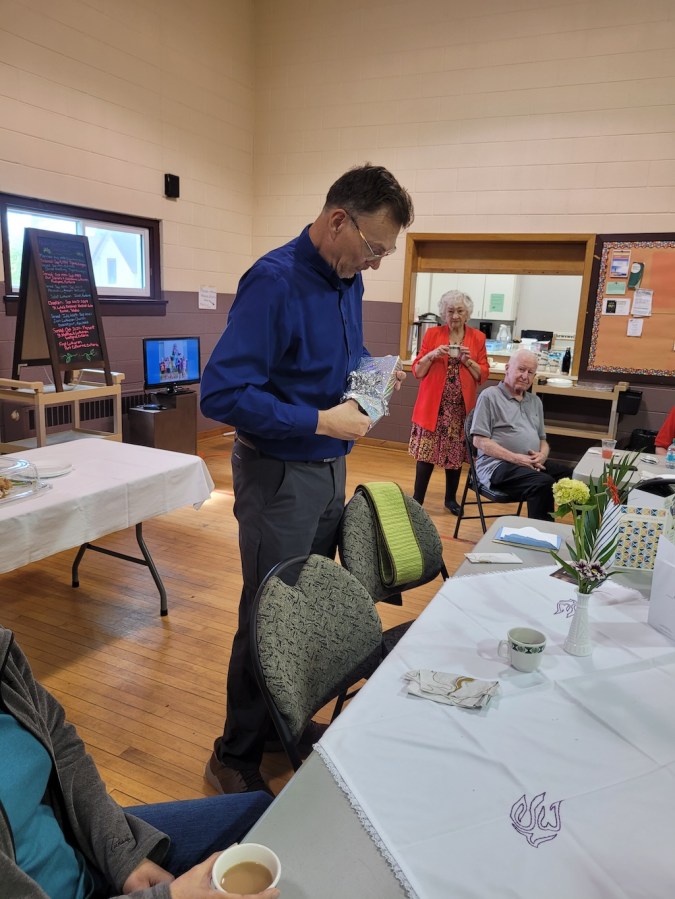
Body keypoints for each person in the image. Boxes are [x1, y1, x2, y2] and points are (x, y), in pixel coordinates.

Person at [200, 164, 414, 795]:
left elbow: (336, 363)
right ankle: (234, 753)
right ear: (337, 220)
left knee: (304, 605)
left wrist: (373, 374)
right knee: (268, 611)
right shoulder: (273, 282)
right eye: (374, 248)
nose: (375, 263)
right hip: (279, 475)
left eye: (385, 254)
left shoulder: (346, 277)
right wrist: (320, 418)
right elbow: (221, 393)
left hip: (327, 467)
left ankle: (277, 728)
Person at [0, 626, 277, 899]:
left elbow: (61, 744)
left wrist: (124, 854)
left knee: (260, 811)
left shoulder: (4, 654)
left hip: (76, 852)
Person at [409, 290, 489, 513]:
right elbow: (417, 370)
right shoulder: (432, 334)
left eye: (460, 311)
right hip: (432, 408)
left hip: (459, 410)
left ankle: (450, 500)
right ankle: (417, 499)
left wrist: (467, 361)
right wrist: (432, 355)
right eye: (450, 311)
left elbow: (483, 375)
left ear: (467, 313)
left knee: (454, 456)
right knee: (425, 455)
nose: (455, 315)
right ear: (443, 313)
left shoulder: (478, 338)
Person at [470, 348, 573, 520]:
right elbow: (480, 441)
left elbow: (542, 440)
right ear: (507, 368)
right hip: (497, 466)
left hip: (530, 464)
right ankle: (540, 533)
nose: (525, 376)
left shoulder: (535, 401)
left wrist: (542, 455)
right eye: (521, 369)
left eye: (530, 372)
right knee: (543, 483)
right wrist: (517, 458)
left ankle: (585, 531)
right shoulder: (490, 397)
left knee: (571, 476)